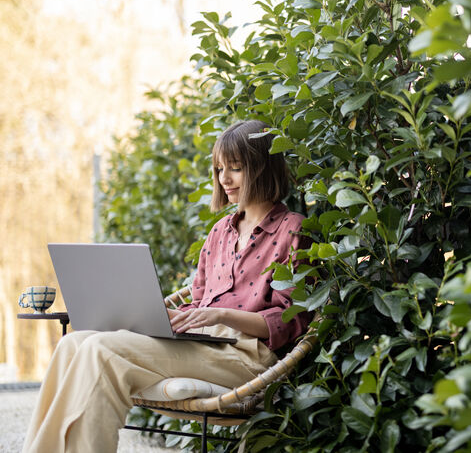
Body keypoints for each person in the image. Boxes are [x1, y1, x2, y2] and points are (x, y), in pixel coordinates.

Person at [23, 120, 312, 453]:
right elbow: (198, 303)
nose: (224, 179)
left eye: (236, 169)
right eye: (219, 169)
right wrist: (157, 316)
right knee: (74, 343)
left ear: (263, 169)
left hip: (246, 357)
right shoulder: (220, 232)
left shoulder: (292, 230)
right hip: (202, 346)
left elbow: (291, 321)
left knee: (99, 352)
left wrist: (219, 315)